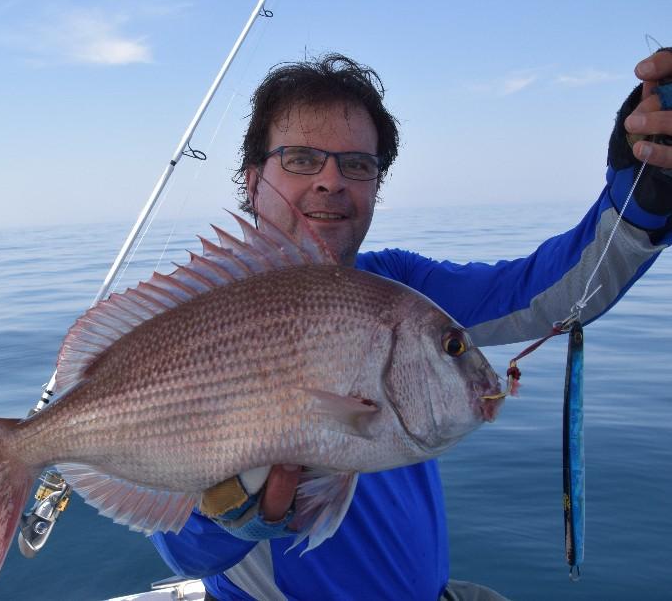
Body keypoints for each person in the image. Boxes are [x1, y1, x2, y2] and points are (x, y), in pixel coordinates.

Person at [149, 49, 672, 600]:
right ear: (253, 180)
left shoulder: (400, 293)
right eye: (302, 158)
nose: (331, 180)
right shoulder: (195, 322)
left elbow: (548, 294)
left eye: (357, 164)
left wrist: (643, 193)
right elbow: (179, 548)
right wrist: (228, 515)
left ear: (376, 185)